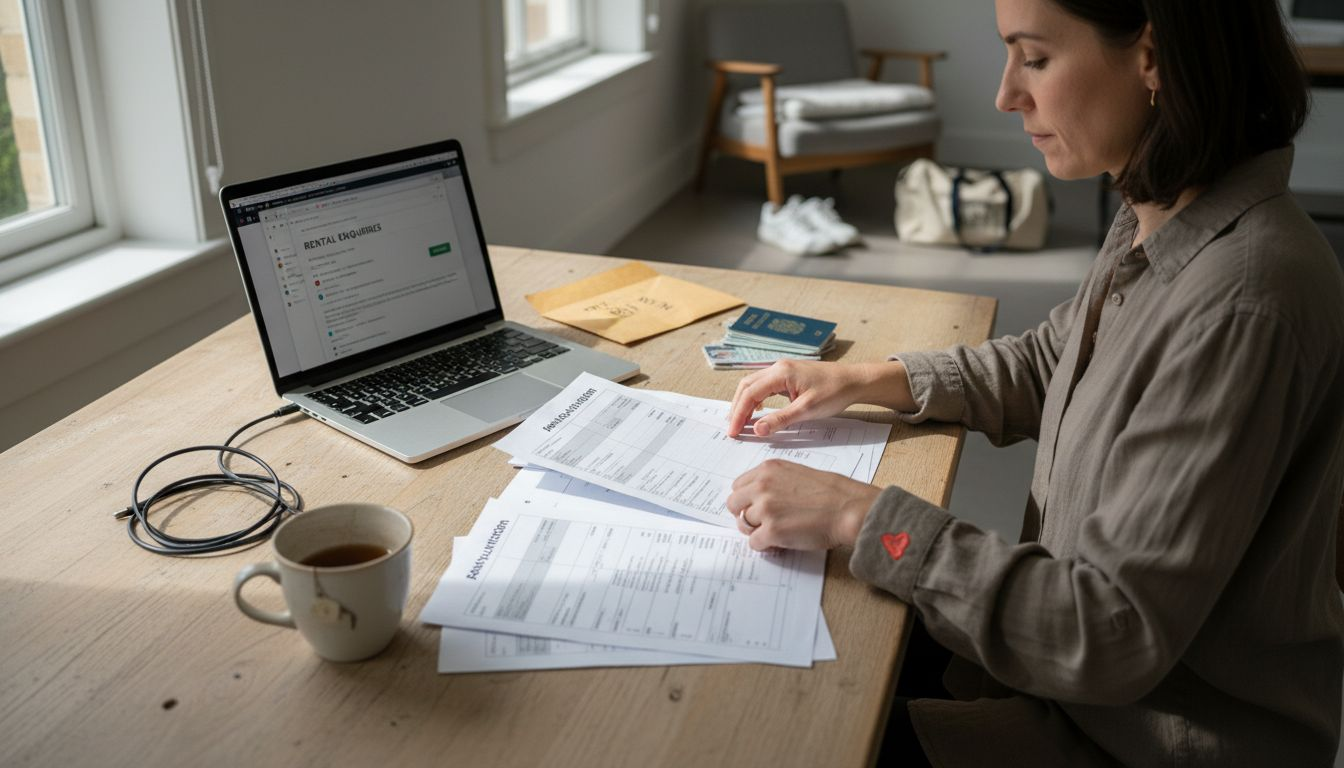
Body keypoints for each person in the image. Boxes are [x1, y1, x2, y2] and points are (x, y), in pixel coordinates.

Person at [723, 0, 1344, 765]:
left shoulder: (1244, 301)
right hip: (1063, 687)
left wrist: (860, 518)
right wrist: (866, 379)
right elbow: (1057, 362)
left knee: (775, 720)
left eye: (1035, 58)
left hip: (1136, 738)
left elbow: (1106, 631)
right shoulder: (1164, 207)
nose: (1006, 94)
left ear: (1152, 58)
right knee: (812, 637)